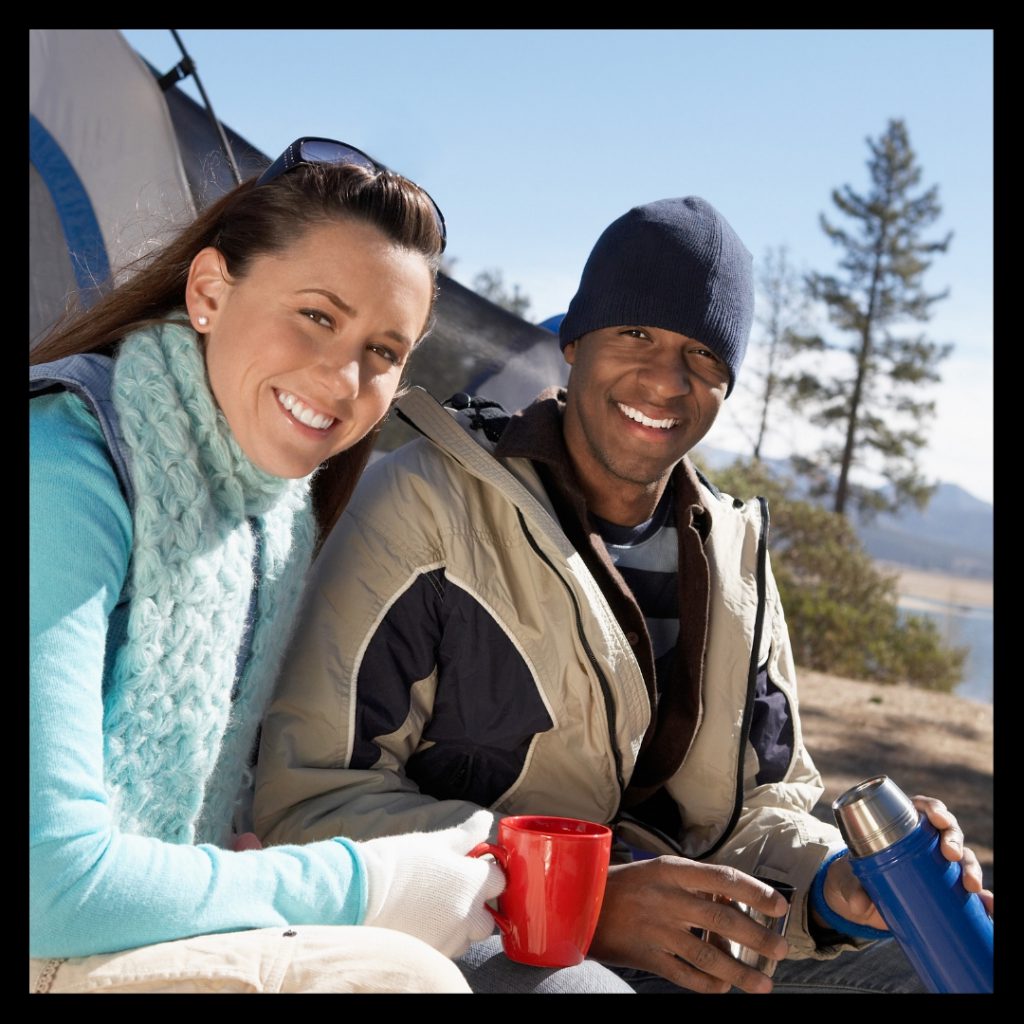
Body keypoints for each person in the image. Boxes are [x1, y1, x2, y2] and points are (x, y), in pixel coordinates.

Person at [252, 196, 993, 994]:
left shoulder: (736, 555)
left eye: (704, 355)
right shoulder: (426, 507)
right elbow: (311, 801)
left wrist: (836, 884)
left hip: (696, 953)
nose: (666, 380)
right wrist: (579, 897)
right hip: (473, 936)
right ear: (574, 341)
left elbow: (760, 810)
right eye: (635, 333)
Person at [29, 137, 510, 995]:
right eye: (319, 316)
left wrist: (231, 860)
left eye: (386, 352)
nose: (343, 375)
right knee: (401, 978)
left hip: (95, 932)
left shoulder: (273, 515)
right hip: (52, 926)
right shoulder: (63, 470)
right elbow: (47, 886)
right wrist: (369, 886)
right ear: (211, 291)